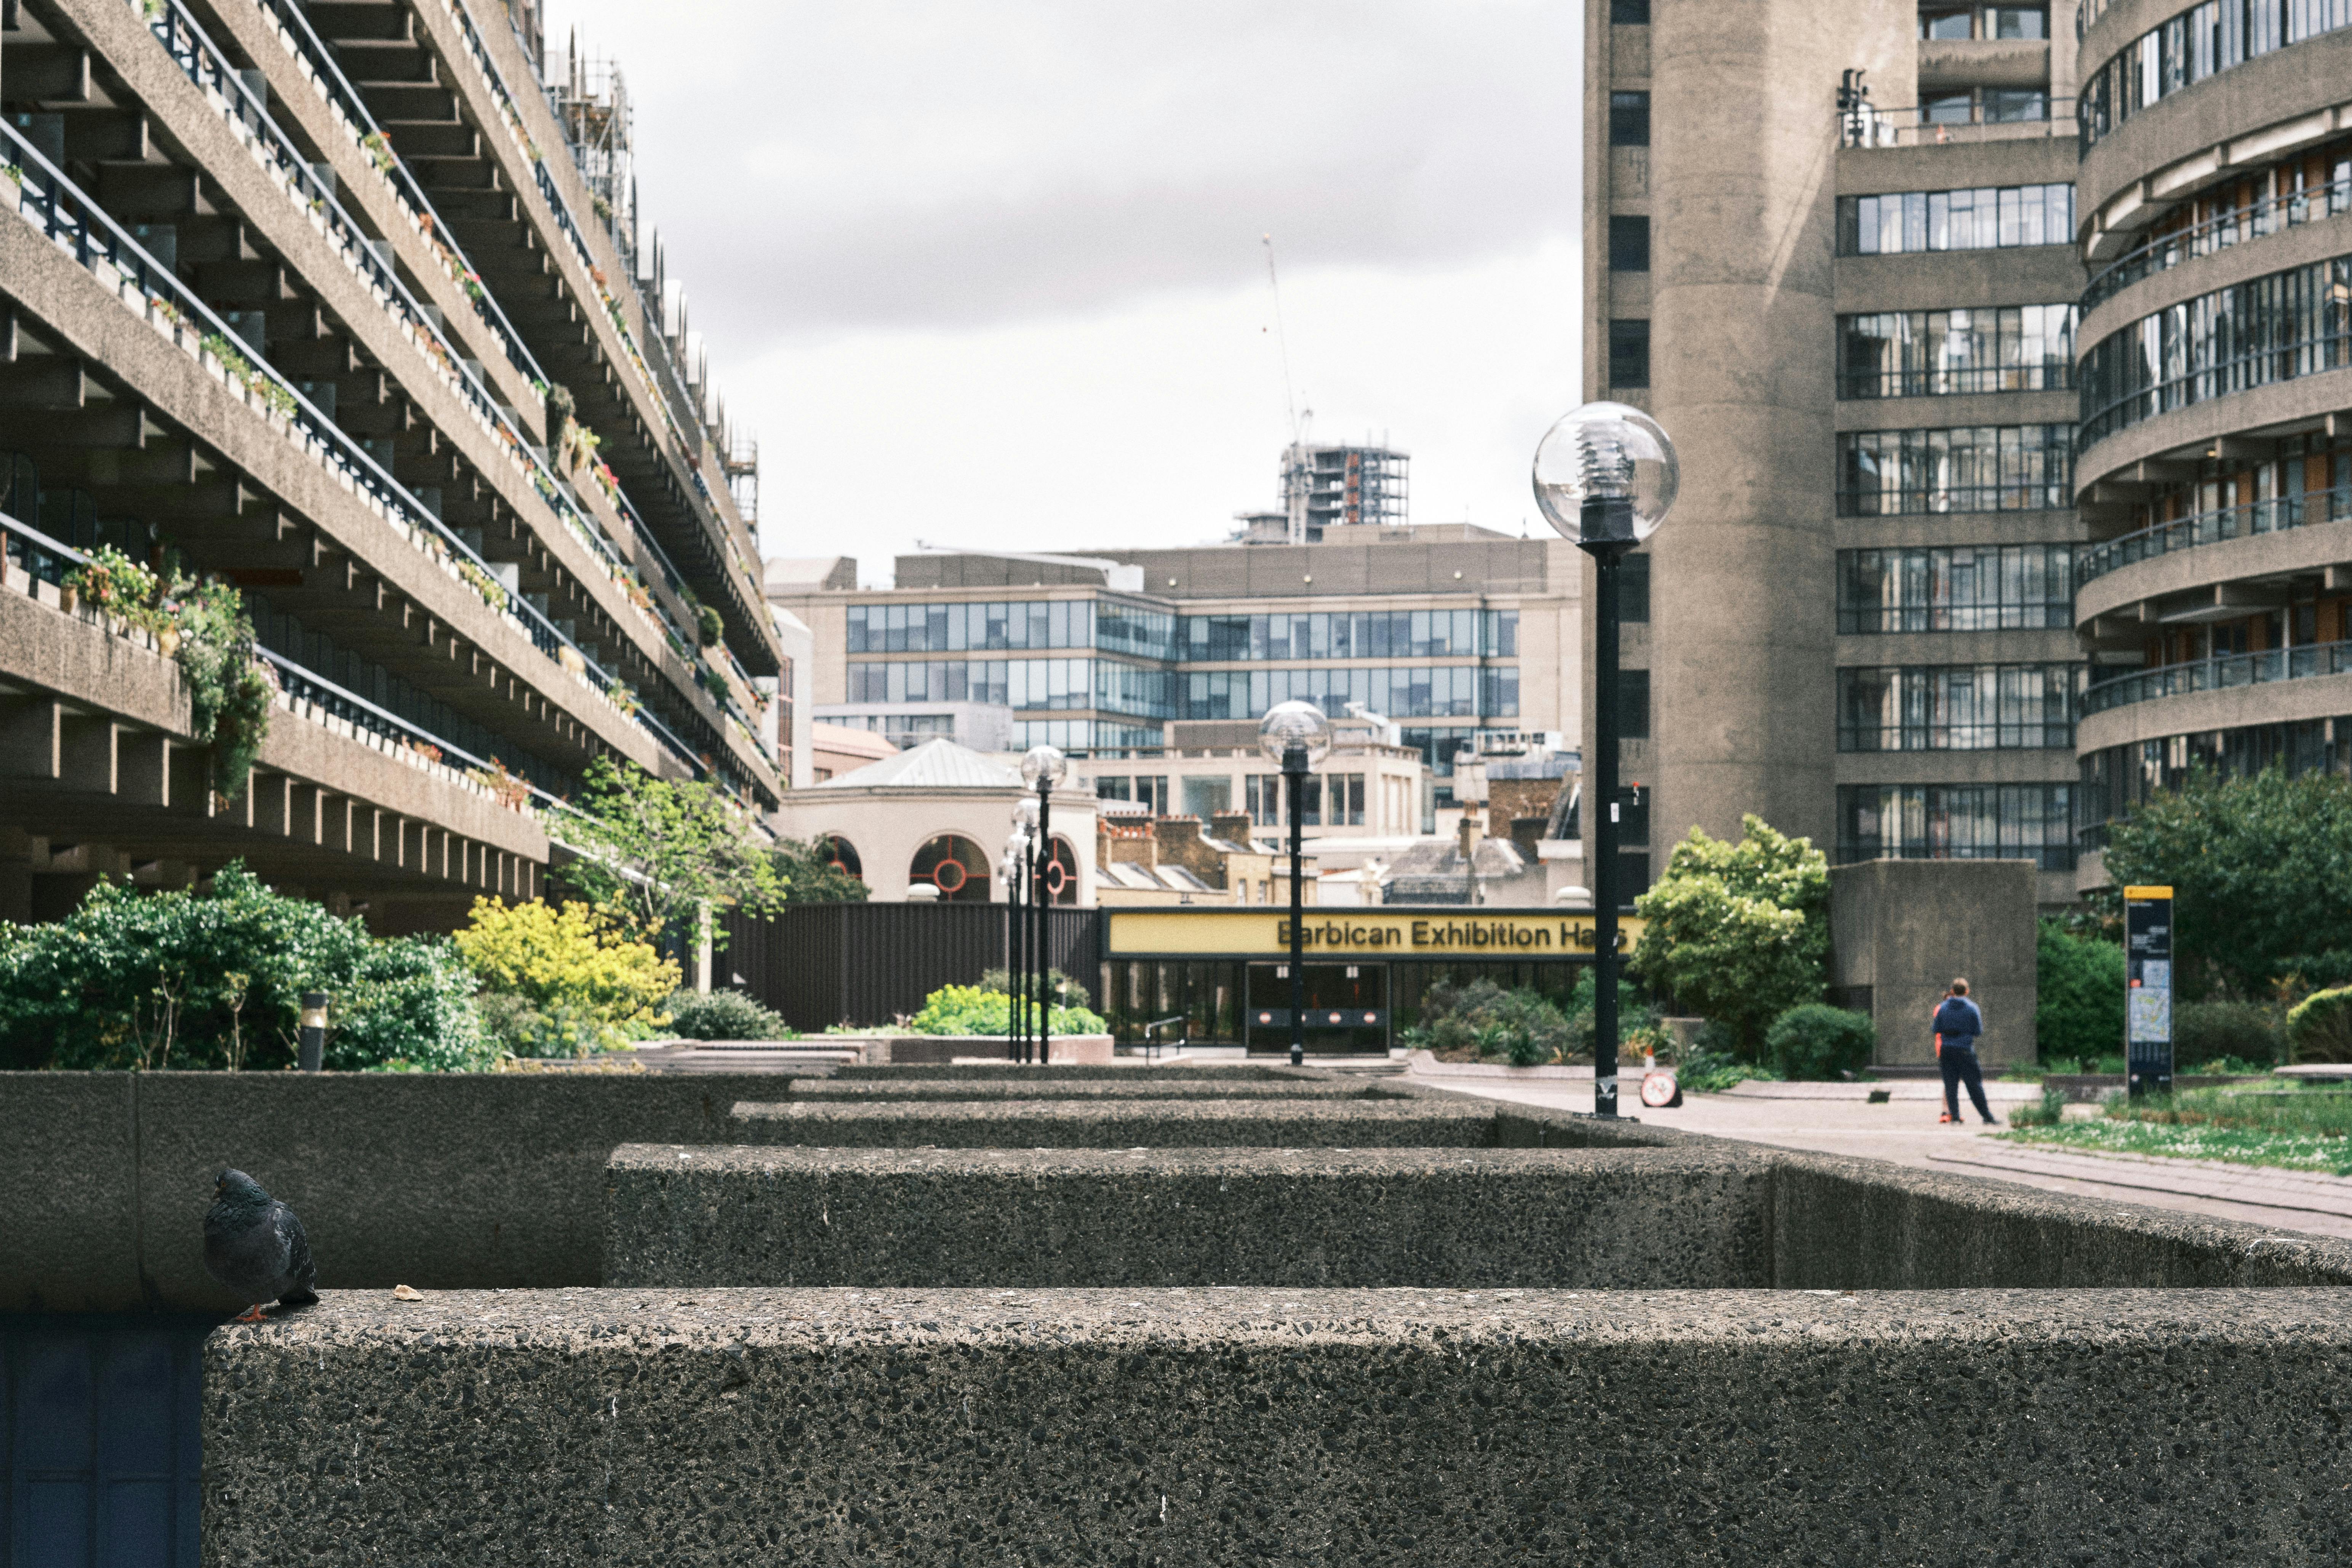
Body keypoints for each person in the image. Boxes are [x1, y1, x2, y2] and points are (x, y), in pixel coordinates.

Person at [1933, 978, 1998, 1126]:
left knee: (1950, 1084)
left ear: (1952, 991)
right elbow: (1978, 1031)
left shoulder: (1942, 1008)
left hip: (1946, 1051)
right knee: (1974, 1084)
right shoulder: (1972, 1008)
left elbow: (1936, 1029)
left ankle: (1955, 1117)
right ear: (1967, 991)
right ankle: (1987, 1116)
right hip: (1965, 1050)